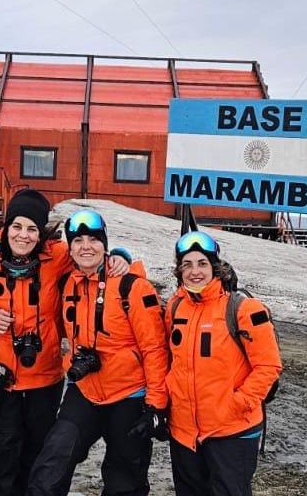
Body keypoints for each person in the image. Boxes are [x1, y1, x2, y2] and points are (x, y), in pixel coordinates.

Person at [0, 190, 131, 496]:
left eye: (32, 229)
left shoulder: (56, 256)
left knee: (38, 454)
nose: (24, 236)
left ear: (41, 232)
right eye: (17, 226)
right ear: (7, 225)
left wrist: (121, 256)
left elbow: (91, 256)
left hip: (42, 376)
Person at [26, 208, 169, 496]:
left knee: (124, 478)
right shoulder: (68, 284)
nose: (86, 247)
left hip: (130, 395)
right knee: (52, 462)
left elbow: (154, 349)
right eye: (78, 241)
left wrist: (156, 405)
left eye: (93, 240)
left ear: (104, 244)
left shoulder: (132, 287)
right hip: (86, 390)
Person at [164, 230, 283, 496]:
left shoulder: (244, 308)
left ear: (215, 268)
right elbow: (168, 359)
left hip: (232, 431)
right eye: (187, 264)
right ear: (179, 271)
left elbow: (269, 366)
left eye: (202, 263)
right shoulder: (175, 307)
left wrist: (237, 404)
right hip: (184, 433)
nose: (195, 271)